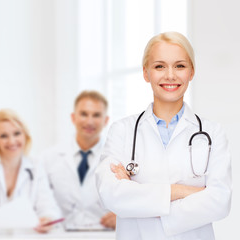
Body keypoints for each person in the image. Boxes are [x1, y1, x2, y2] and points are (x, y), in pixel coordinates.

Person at [95, 32, 232, 239]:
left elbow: (220, 201)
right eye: (160, 66)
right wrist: (182, 191)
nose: (170, 75)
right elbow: (111, 194)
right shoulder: (122, 131)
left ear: (191, 72)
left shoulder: (213, 133)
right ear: (146, 73)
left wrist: (139, 198)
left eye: (180, 66)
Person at [40, 90, 116, 230]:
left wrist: (124, 217)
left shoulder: (118, 157)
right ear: (73, 117)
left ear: (106, 120)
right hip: (61, 235)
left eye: (96, 115)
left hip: (105, 235)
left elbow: (134, 200)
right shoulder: (48, 158)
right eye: (84, 114)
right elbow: (40, 200)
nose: (89, 121)